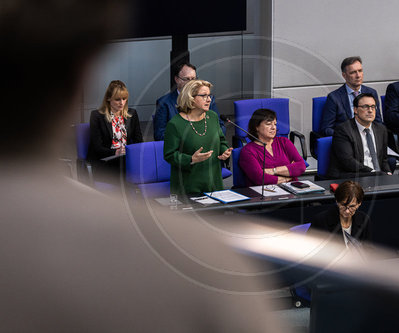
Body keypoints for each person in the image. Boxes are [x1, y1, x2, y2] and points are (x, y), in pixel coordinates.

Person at [0, 1, 287, 332]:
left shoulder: (208, 121)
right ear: (83, 70)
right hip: (161, 180)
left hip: (207, 184)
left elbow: (162, 140)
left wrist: (222, 153)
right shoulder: (193, 259)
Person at [163, 79, 232, 194]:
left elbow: (221, 140)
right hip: (188, 186)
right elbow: (169, 155)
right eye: (204, 96)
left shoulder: (213, 117)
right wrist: (191, 159)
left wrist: (224, 151)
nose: (209, 99)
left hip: (213, 182)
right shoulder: (175, 124)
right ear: (191, 98)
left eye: (209, 95)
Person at [154, 62, 226, 140]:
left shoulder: (208, 99)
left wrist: (206, 140)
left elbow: (221, 127)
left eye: (193, 79)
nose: (191, 83)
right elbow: (160, 135)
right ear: (177, 79)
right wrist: (190, 141)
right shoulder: (164, 103)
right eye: (187, 79)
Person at [327, 93, 392, 179]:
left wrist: (388, 172)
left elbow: (383, 159)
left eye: (373, 107)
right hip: (351, 175)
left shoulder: (381, 129)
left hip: (377, 176)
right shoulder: (343, 130)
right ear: (355, 110)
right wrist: (373, 173)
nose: (370, 110)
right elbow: (348, 161)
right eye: (365, 107)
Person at [239, 108, 306, 185]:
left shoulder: (284, 142)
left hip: (291, 189)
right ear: (256, 127)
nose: (273, 127)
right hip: (265, 193)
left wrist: (272, 171)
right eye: (268, 124)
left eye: (275, 124)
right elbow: (260, 179)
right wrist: (288, 175)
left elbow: (301, 166)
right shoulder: (248, 151)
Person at [320, 56, 382, 136]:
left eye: (360, 71)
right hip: (348, 142)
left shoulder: (371, 93)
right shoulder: (334, 97)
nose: (358, 75)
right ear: (344, 75)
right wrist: (345, 135)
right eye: (353, 72)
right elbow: (326, 129)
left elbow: (378, 122)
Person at [88, 80, 143, 161]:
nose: (122, 103)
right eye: (117, 99)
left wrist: (131, 152)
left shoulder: (132, 114)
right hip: (105, 158)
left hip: (126, 157)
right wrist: (116, 152)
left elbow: (139, 141)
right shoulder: (97, 116)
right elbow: (97, 147)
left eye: (124, 99)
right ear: (108, 99)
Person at [309, 181, 371, 245]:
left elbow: (368, 249)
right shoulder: (321, 221)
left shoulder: (364, 220)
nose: (347, 211)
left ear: (359, 203)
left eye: (352, 206)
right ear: (337, 201)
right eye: (343, 205)